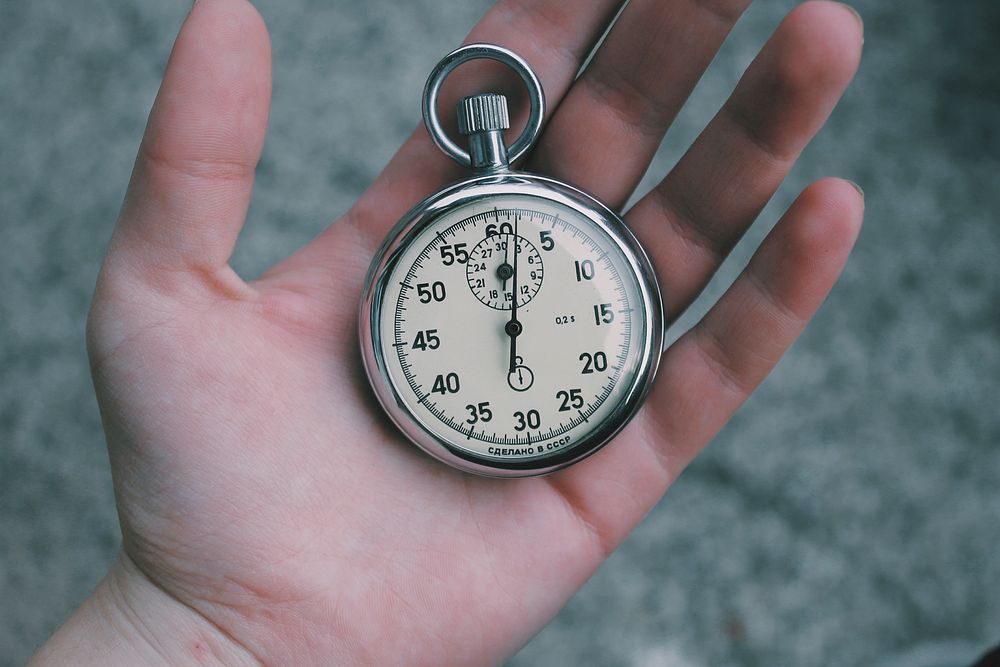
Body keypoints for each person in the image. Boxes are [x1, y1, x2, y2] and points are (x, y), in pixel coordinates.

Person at [30, 0, 867, 664]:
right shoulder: (434, 275)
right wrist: (200, 624)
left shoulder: (572, 257)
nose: (509, 317)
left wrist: (188, 633)